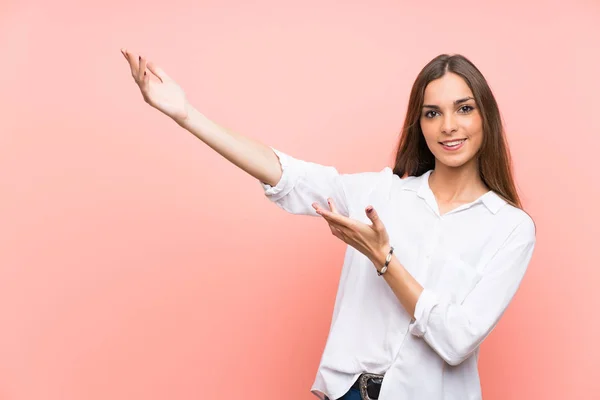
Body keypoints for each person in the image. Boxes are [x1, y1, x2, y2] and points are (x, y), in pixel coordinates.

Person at [120, 49, 536, 400]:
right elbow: (286, 174)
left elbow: (457, 342)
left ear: (486, 116)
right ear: (419, 123)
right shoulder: (382, 193)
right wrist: (186, 115)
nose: (448, 125)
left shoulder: (511, 228)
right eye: (432, 113)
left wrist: (384, 260)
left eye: (464, 108)